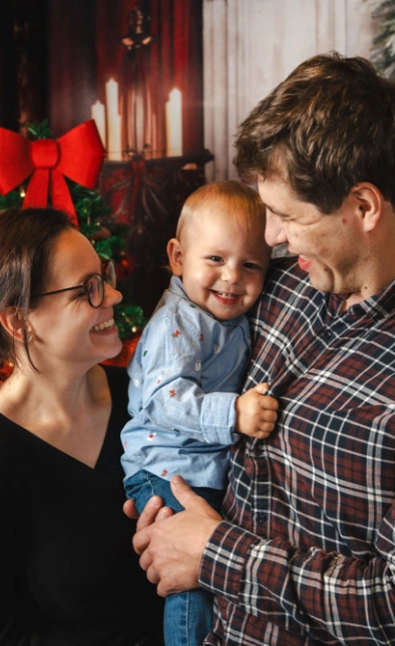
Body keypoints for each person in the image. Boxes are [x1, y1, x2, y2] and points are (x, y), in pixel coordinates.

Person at [126, 53, 395, 645]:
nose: (269, 237)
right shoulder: (283, 281)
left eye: (285, 216)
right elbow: (176, 362)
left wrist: (214, 551)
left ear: (365, 207)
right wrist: (167, 498)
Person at [0, 207, 163, 646]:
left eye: (105, 275)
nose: (114, 296)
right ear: (19, 322)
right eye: (87, 290)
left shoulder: (140, 398)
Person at [121, 181, 279, 646]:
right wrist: (235, 413)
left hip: (192, 467)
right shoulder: (178, 323)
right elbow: (166, 403)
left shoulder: (226, 315)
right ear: (177, 257)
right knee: (191, 582)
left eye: (250, 265)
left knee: (207, 574)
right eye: (215, 259)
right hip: (167, 468)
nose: (232, 276)